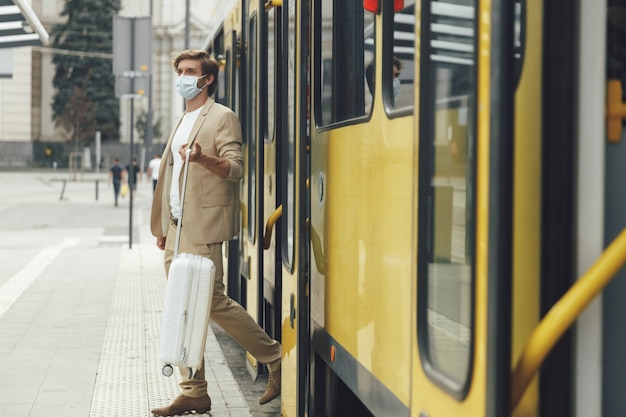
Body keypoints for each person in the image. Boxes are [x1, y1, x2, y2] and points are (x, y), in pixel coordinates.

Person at [149, 49, 282, 417]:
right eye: (180, 71)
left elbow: (235, 170)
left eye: (190, 71)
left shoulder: (223, 117)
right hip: (177, 228)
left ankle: (274, 355)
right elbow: (173, 176)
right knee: (183, 307)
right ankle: (193, 391)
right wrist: (164, 226)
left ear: (207, 80)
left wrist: (204, 157)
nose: (183, 77)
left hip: (204, 227)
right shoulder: (184, 118)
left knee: (211, 301)